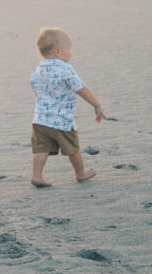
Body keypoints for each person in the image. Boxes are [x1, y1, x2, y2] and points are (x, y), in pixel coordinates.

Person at [29, 27, 105, 188]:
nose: (70, 53)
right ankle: (81, 172)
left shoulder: (37, 70)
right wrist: (96, 104)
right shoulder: (65, 69)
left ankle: (37, 175)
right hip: (61, 120)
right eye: (69, 49)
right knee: (73, 147)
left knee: (40, 148)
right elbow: (81, 89)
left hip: (40, 119)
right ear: (58, 51)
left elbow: (38, 91)